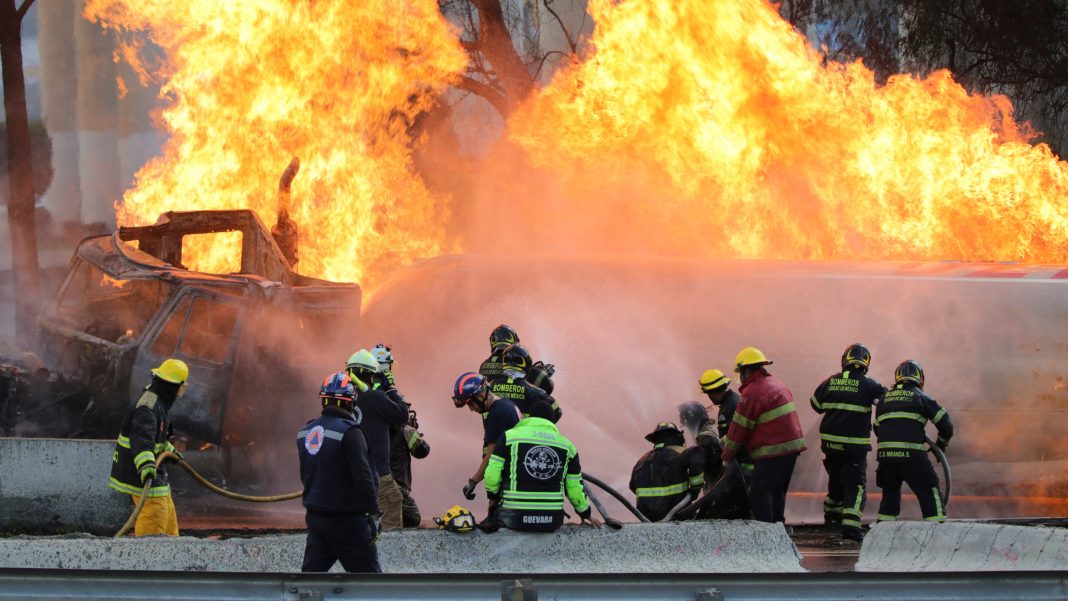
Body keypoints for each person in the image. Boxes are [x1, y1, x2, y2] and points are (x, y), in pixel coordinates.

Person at [297, 371, 380, 573]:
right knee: (373, 586)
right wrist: (373, 512)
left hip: (316, 519)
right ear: (350, 402)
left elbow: (307, 474)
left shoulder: (305, 432)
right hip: (348, 522)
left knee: (310, 581)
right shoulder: (350, 432)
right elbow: (364, 477)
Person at [484, 401, 602, 532]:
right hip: (551, 521)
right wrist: (586, 513)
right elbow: (574, 489)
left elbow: (491, 475)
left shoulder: (509, 437)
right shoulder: (568, 447)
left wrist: (493, 498)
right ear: (551, 422)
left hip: (513, 518)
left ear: (530, 417)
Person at [720, 347, 806, 523]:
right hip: (791, 450)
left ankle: (766, 533)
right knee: (777, 491)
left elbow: (739, 429)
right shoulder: (777, 383)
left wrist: (726, 456)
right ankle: (778, 531)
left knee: (759, 493)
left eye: (740, 373)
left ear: (746, 370)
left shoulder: (752, 393)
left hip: (771, 451)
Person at [810, 343, 887, 541]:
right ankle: (851, 528)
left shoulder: (830, 381)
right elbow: (888, 401)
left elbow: (815, 404)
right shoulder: (869, 385)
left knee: (835, 483)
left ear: (845, 360)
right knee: (855, 487)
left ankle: (832, 518)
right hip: (854, 449)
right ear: (865, 363)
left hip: (830, 448)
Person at [108, 358, 189, 536]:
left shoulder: (158, 403)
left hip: (153, 471)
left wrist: (170, 451)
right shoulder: (148, 406)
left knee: (166, 510)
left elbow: (155, 438)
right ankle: (148, 555)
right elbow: (142, 441)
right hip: (139, 471)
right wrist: (146, 466)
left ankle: (170, 553)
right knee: (155, 512)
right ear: (177, 387)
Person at [874, 360, 953, 524]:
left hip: (886, 457)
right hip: (912, 456)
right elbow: (946, 424)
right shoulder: (921, 397)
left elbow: (877, 428)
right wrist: (941, 444)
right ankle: (936, 532)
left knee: (890, 496)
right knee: (929, 490)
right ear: (920, 379)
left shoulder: (883, 399)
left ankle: (883, 535)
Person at [345, 349, 408, 531]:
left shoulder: (343, 399)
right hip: (379, 478)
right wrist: (391, 388)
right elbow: (402, 414)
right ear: (371, 375)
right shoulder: (377, 397)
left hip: (349, 478)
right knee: (388, 535)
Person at [371, 344, 431, 527]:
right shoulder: (391, 400)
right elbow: (422, 451)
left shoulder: (365, 397)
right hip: (392, 484)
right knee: (412, 518)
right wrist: (409, 427)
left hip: (367, 479)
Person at [452, 371, 522, 502]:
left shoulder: (497, 414)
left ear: (482, 394)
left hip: (511, 480)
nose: (472, 409)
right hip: (517, 477)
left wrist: (473, 481)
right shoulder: (506, 405)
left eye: (471, 403)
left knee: (496, 519)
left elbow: (492, 457)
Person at [678, 400, 749, 519]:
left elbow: (716, 468)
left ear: (691, 421)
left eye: (687, 424)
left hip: (724, 495)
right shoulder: (710, 430)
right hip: (725, 491)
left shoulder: (706, 438)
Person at [629, 422, 704, 522]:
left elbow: (632, 486)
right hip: (677, 515)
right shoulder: (681, 452)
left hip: (647, 518)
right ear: (677, 436)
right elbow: (697, 458)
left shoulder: (642, 460)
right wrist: (695, 489)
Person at [489, 343, 562, 422]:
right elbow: (557, 411)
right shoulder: (534, 392)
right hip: (523, 434)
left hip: (495, 433)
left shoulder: (490, 387)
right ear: (526, 363)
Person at [479, 324, 555, 393]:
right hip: (515, 405)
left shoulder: (483, 365)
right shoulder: (511, 363)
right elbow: (547, 386)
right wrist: (544, 373)